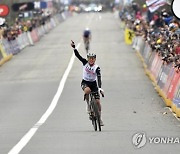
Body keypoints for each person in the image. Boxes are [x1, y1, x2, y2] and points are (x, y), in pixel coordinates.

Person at [71, 40, 104, 126]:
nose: (91, 60)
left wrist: (100, 88)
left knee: (98, 103)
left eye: (93, 58)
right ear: (88, 59)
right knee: (87, 91)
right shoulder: (85, 62)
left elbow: (99, 77)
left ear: (95, 59)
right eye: (90, 58)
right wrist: (74, 48)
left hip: (93, 84)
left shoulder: (97, 68)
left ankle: (99, 118)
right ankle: (88, 106)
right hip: (85, 82)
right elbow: (78, 56)